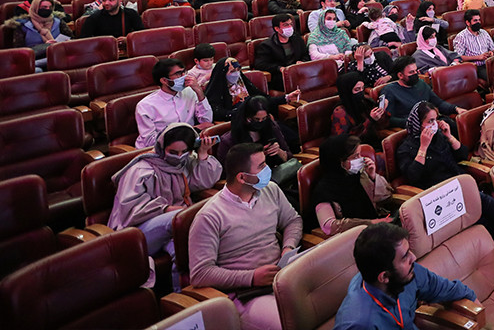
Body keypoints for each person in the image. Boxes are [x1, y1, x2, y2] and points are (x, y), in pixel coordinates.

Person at [189, 143, 303, 330]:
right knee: (294, 321)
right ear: (242, 177)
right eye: (261, 166)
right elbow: (200, 274)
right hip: (247, 293)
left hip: (283, 275)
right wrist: (251, 277)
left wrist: (288, 248)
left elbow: (293, 220)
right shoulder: (210, 216)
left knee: (328, 299)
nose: (267, 169)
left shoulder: (271, 190)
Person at [108, 123, 220, 280]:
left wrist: (202, 154)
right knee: (179, 218)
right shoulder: (141, 170)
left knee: (184, 248)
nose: (179, 156)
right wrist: (166, 208)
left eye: (184, 152)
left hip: (171, 227)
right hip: (136, 231)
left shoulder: (182, 164)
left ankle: (183, 290)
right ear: (162, 147)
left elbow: (203, 182)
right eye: (173, 152)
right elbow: (130, 209)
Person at [332, 222, 475, 330]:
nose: (413, 258)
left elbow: (447, 289)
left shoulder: (409, 273)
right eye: (405, 256)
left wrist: (474, 303)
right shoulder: (359, 323)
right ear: (384, 277)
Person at [311, 135, 392, 238]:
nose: (361, 159)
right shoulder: (324, 191)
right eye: (356, 156)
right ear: (340, 162)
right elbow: (329, 226)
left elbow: (387, 198)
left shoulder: (359, 174)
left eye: (360, 154)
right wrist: (369, 223)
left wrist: (373, 177)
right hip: (354, 238)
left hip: (377, 228)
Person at [136, 58, 214, 148]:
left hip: (188, 145)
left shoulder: (190, 92)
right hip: (159, 150)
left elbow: (206, 121)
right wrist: (192, 130)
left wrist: (199, 92)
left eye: (184, 72)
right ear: (164, 80)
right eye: (178, 74)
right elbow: (150, 142)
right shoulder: (146, 105)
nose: (184, 76)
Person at [380, 57, 466, 128]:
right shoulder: (389, 90)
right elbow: (389, 120)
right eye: (411, 72)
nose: (415, 74)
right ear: (400, 75)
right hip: (413, 129)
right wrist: (416, 122)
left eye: (416, 70)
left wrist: (456, 109)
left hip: (433, 122)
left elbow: (438, 103)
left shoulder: (421, 84)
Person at [3, 0, 70, 70]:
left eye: (50, 7)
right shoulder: (22, 25)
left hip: (58, 55)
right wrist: (46, 46)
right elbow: (19, 50)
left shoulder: (58, 20)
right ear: (35, 8)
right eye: (44, 7)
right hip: (35, 59)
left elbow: (70, 38)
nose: (48, 9)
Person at [254, 13, 309, 91]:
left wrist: (302, 61)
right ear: (277, 29)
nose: (290, 27)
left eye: (291, 24)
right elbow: (260, 64)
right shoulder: (266, 45)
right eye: (286, 25)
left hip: (298, 71)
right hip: (280, 76)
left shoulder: (297, 39)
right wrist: (278, 68)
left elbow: (306, 54)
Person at [331, 71, 389, 145]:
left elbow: (383, 125)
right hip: (354, 148)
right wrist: (370, 120)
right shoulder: (340, 112)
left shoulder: (366, 100)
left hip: (372, 141)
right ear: (347, 91)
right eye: (357, 89)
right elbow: (346, 141)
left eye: (362, 88)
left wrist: (382, 110)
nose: (361, 92)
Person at [452, 9, 494, 75]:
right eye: (475, 20)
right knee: (493, 76)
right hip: (476, 67)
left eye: (479, 20)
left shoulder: (484, 32)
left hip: (490, 63)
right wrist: (478, 57)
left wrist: (492, 52)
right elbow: (458, 57)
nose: (478, 22)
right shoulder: (461, 37)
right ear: (468, 23)